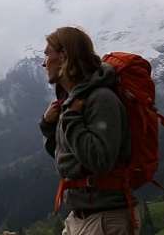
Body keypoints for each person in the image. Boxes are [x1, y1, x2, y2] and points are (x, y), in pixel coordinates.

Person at [39, 26, 140, 234]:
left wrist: (71, 120)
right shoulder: (72, 101)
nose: (43, 62)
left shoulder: (100, 99)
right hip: (81, 216)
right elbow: (68, 158)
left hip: (104, 219)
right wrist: (49, 128)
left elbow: (100, 161)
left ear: (64, 56)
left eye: (47, 54)